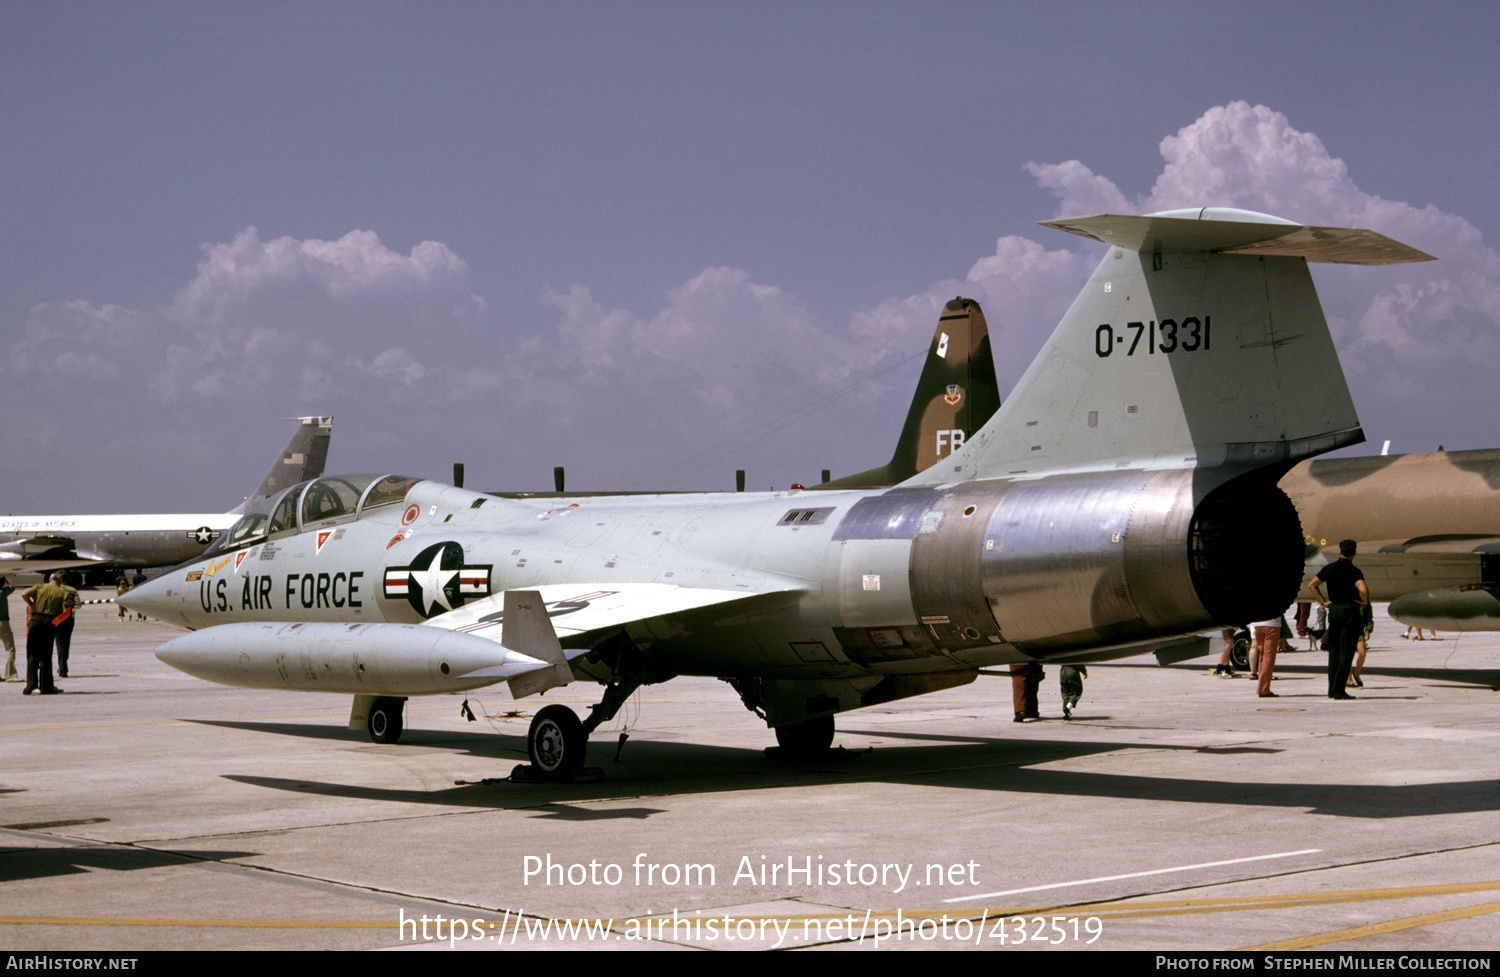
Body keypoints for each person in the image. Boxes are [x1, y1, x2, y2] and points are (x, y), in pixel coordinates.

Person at [1309, 539, 1369, 700]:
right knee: (1347, 651)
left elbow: (1312, 585)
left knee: (1334, 651)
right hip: (1350, 610)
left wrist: (1323, 601)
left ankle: (1331, 689)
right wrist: (1363, 602)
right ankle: (1339, 689)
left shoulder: (1330, 568)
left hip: (1334, 610)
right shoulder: (1354, 571)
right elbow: (1363, 589)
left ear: (1340, 551)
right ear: (1354, 552)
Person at [21, 573, 71, 695]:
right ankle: (46, 686)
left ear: (50, 579)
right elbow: (68, 611)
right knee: (46, 655)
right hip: (49, 622)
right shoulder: (63, 593)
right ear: (60, 581)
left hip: (35, 620)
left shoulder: (39, 587)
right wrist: (56, 622)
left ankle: (31, 685)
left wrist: (32, 605)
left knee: (32, 654)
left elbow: (24, 594)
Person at [52, 571, 79, 678]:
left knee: (59, 643)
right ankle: (63, 667)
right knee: (65, 643)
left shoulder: (53, 589)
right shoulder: (72, 590)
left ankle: (62, 667)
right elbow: (78, 604)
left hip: (56, 618)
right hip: (68, 618)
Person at [1252, 614, 1283, 697]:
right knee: (1269, 656)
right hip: (1272, 624)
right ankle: (1263, 689)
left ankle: (1261, 686)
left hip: (1258, 623)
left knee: (1262, 655)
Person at [0, 575, 17, 681]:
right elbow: (12, 586)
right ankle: (9, 674)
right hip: (2, 622)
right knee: (10, 648)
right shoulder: (3, 592)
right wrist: (5, 577)